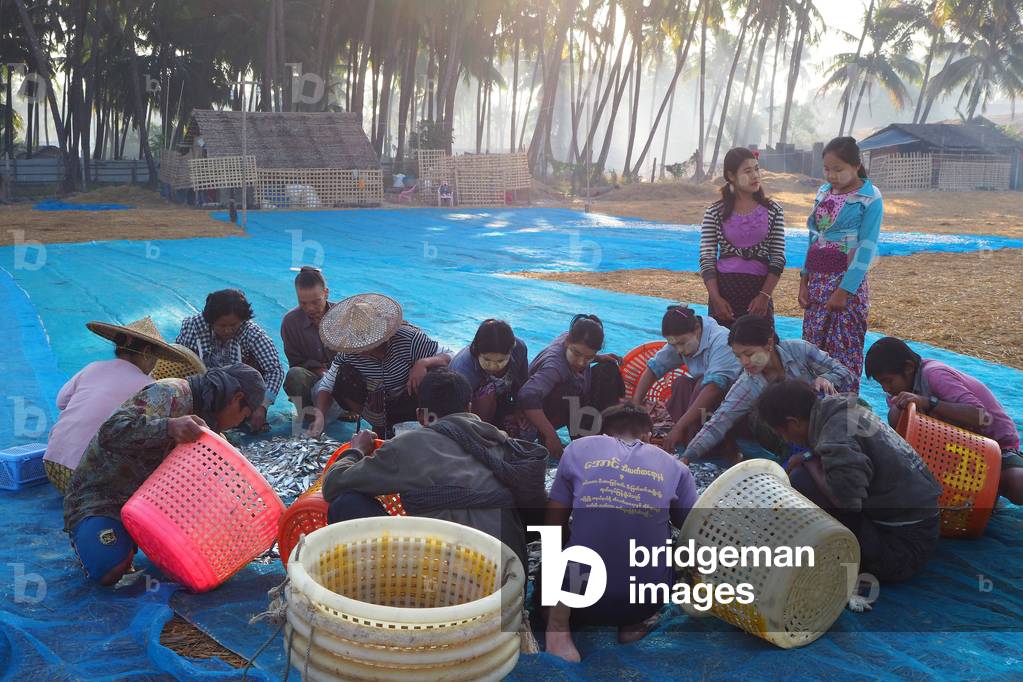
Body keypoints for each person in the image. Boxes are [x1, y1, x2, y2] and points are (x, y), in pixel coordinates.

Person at [321, 369, 548, 571]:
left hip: (451, 580)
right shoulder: (499, 439)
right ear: (469, 408)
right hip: (509, 574)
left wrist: (356, 450)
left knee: (346, 503)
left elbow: (333, 485)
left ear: (421, 416)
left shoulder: (410, 444)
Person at [63, 364, 266, 586]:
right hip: (102, 498)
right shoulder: (171, 393)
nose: (239, 424)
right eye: (244, 416)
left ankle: (133, 539)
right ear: (236, 398)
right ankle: (104, 541)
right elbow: (110, 432)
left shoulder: (211, 429)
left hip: (151, 507)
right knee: (110, 569)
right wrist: (168, 427)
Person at [543, 403, 697, 662]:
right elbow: (693, 528)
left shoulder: (577, 449)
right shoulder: (676, 467)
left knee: (575, 543)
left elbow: (552, 528)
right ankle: (634, 624)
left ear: (603, 434)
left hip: (579, 604)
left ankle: (557, 627)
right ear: (648, 438)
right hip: (643, 601)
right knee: (668, 544)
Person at [756, 379, 941, 583]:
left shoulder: (835, 436)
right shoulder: (837, 410)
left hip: (901, 549)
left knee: (802, 480)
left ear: (793, 423)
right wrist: (809, 457)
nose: (786, 440)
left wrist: (808, 463)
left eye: (782, 433)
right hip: (921, 525)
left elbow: (846, 502)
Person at [44, 317, 198, 493]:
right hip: (89, 479)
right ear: (147, 352)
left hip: (53, 466)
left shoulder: (93, 367)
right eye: (156, 357)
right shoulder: (149, 387)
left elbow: (61, 402)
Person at [865, 336, 1023, 504]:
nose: (886, 389)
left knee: (1017, 485)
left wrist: (929, 403)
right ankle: (985, 491)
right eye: (881, 383)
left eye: (888, 381)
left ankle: (996, 484)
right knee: (896, 413)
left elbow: (981, 417)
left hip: (995, 448)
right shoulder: (898, 394)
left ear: (909, 368)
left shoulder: (934, 374)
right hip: (955, 454)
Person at [684, 314, 855, 462]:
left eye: (749, 354)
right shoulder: (748, 382)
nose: (744, 362)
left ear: (769, 344)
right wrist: (687, 457)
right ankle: (794, 455)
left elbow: (844, 372)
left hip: (826, 425)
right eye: (738, 356)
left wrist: (826, 378)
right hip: (794, 438)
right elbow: (719, 421)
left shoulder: (800, 350)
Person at [799, 137, 883, 391]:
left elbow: (867, 248)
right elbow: (813, 237)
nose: (831, 176)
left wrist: (844, 291)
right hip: (817, 282)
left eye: (838, 169)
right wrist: (804, 280)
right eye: (826, 169)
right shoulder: (823, 192)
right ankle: (812, 410)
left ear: (856, 165)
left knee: (843, 350)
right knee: (813, 350)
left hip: (845, 285)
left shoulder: (870, 198)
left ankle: (843, 413)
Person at [310, 293, 453, 438]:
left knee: (436, 372)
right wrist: (320, 416)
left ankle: (427, 425)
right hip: (379, 403)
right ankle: (379, 426)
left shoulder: (408, 339)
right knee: (343, 377)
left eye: (364, 341)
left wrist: (423, 363)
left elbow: (450, 356)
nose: (359, 349)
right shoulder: (349, 353)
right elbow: (327, 384)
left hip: (410, 398)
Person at [631, 305, 741, 456]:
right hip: (704, 399)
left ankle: (704, 444)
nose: (679, 350)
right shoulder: (680, 340)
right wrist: (635, 406)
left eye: (682, 343)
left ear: (697, 328)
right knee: (680, 384)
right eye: (674, 345)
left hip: (733, 405)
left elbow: (713, 388)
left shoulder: (721, 340)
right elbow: (654, 368)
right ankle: (688, 437)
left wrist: (678, 428)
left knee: (701, 385)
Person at [516, 314, 625, 459]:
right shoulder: (554, 367)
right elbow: (527, 396)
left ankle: (595, 436)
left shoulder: (571, 338)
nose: (581, 362)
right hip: (537, 415)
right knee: (571, 389)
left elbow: (582, 352)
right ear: (568, 342)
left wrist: (599, 358)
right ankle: (583, 442)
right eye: (577, 354)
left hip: (568, 402)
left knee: (608, 368)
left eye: (588, 357)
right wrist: (551, 436)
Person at [699, 147, 786, 328]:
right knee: (722, 350)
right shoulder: (714, 212)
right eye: (748, 171)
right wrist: (716, 299)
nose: (755, 175)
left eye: (757, 169)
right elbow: (707, 258)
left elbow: (777, 257)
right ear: (731, 176)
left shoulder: (773, 210)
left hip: (758, 297)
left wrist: (764, 296)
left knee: (759, 351)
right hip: (724, 297)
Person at [176, 289, 283, 430]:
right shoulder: (194, 327)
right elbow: (178, 360)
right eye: (222, 326)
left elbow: (274, 370)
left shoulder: (252, 333)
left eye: (233, 325)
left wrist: (262, 406)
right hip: (202, 393)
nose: (228, 330)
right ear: (211, 321)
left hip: (238, 398)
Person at [280, 267, 338, 424]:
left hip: (344, 377)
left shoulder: (342, 315)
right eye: (303, 303)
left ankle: (349, 409)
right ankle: (308, 414)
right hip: (315, 377)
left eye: (316, 301)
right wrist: (320, 371)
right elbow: (296, 362)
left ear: (326, 293)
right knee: (295, 375)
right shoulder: (290, 322)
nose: (310, 309)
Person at [450, 319, 529, 432]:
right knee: (487, 391)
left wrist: (519, 409)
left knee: (526, 427)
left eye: (501, 361)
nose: (493, 366)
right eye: (487, 360)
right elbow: (455, 411)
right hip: (469, 412)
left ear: (511, 351)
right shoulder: (463, 369)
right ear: (476, 350)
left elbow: (522, 384)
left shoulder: (519, 349)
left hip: (502, 403)